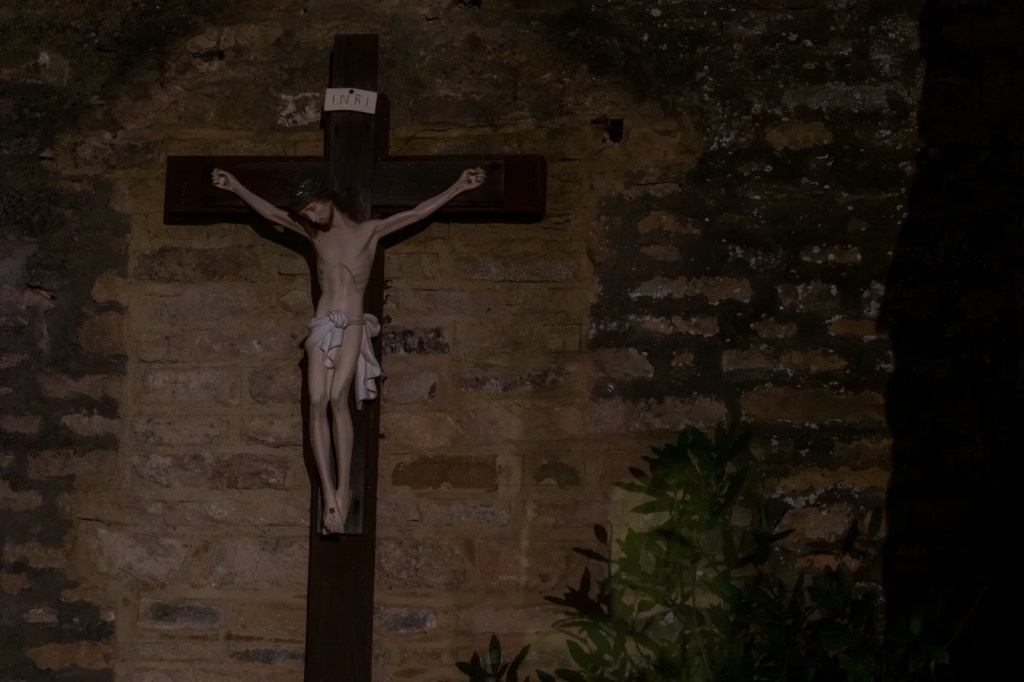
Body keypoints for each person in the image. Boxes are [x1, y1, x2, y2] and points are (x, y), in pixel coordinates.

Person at [211, 166, 486, 533]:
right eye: (305, 213)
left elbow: (417, 213)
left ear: (328, 199)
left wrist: (457, 185)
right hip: (323, 324)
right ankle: (328, 493)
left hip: (353, 324)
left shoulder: (367, 232)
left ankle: (345, 488)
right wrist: (236, 186)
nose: (310, 216)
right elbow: (272, 214)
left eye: (312, 208)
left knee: (339, 397)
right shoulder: (315, 237)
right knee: (315, 401)